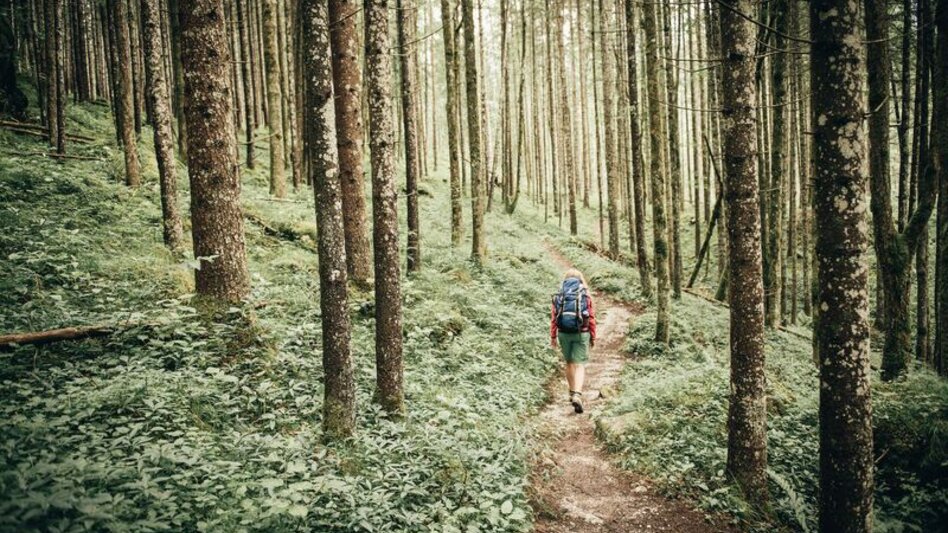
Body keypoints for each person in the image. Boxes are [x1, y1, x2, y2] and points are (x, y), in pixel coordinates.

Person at [550, 269, 596, 413]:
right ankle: (577, 394)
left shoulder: (560, 295)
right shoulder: (585, 295)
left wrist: (553, 336)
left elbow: (554, 317)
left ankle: (571, 392)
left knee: (569, 362)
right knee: (580, 364)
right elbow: (592, 318)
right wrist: (593, 336)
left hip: (563, 333)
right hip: (581, 333)